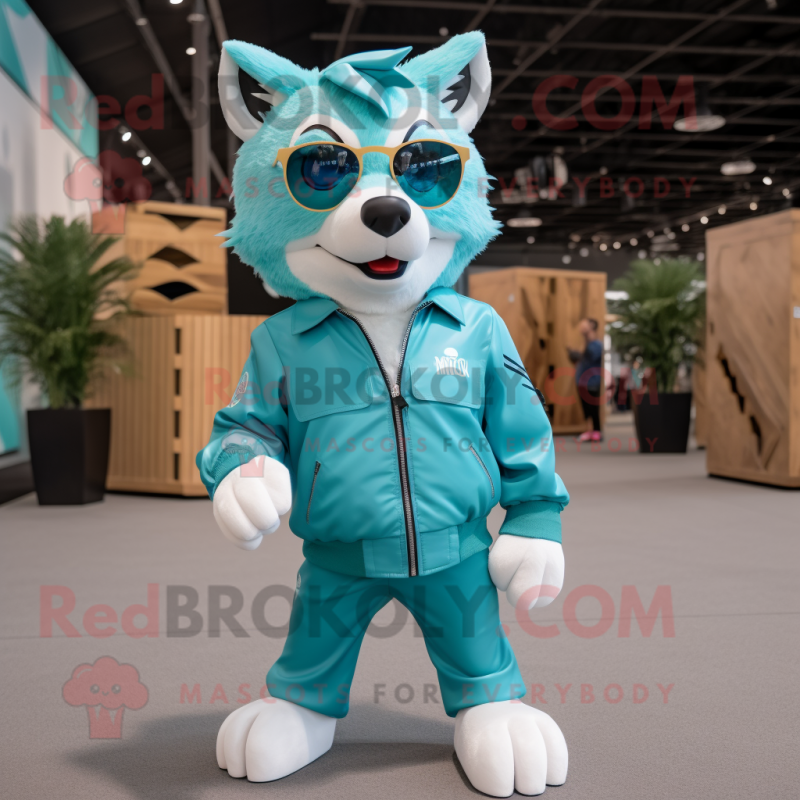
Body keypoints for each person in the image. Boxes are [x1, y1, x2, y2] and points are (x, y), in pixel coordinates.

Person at [568, 318, 604, 442]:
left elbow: (591, 356)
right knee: (586, 409)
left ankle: (597, 431)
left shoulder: (596, 345)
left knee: (593, 408)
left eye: (584, 324)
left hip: (592, 382)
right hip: (581, 381)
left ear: (592, 326)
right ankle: (589, 431)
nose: (581, 327)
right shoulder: (586, 344)